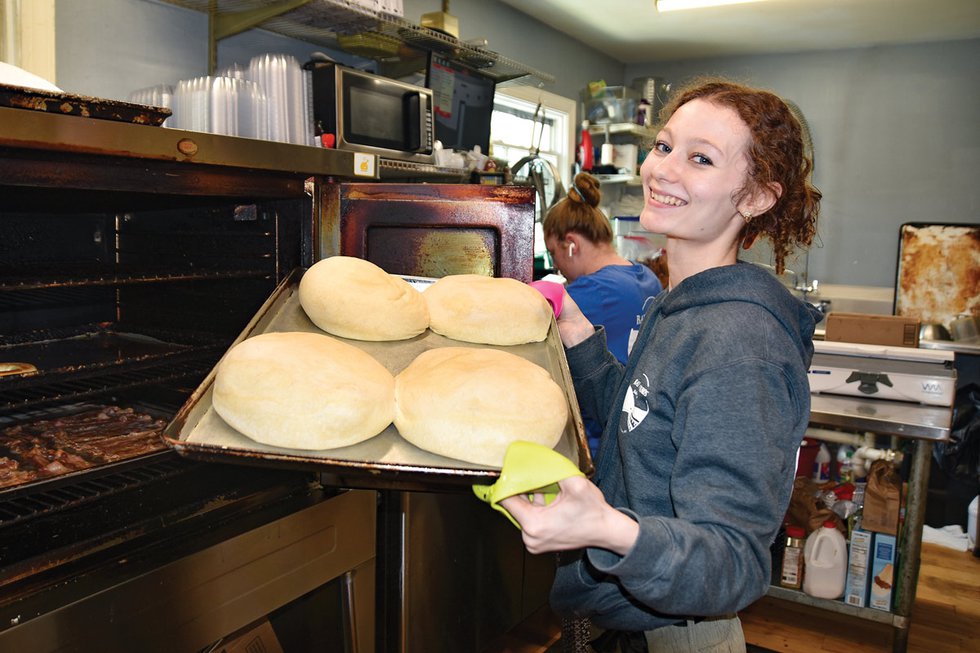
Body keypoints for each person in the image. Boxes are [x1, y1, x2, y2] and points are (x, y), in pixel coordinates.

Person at [502, 78, 823, 653]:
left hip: (671, 634)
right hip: (614, 621)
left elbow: (733, 560)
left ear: (755, 198)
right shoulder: (678, 305)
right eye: (664, 146)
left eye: (701, 158)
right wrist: (576, 334)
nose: (664, 169)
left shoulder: (738, 343)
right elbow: (639, 423)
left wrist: (606, 529)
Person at [543, 173, 664, 365]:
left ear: (571, 244)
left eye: (553, 253)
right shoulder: (647, 276)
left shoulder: (590, 291)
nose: (556, 265)